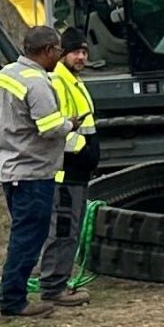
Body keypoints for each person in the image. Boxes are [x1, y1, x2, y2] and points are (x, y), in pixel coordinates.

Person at [0, 25, 74, 318]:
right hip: (33, 172)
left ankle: (12, 296)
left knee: (23, 236)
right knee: (27, 239)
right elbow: (49, 126)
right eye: (59, 51)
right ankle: (13, 301)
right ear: (49, 50)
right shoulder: (37, 83)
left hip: (12, 168)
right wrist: (70, 125)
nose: (60, 56)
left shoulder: (8, 74)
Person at [37, 26, 100, 306]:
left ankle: (57, 283)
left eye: (84, 52)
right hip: (67, 171)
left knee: (69, 230)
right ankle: (53, 288)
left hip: (78, 171)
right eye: (75, 51)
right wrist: (82, 152)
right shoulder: (59, 82)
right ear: (62, 54)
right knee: (63, 230)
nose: (81, 57)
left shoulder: (74, 81)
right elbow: (56, 129)